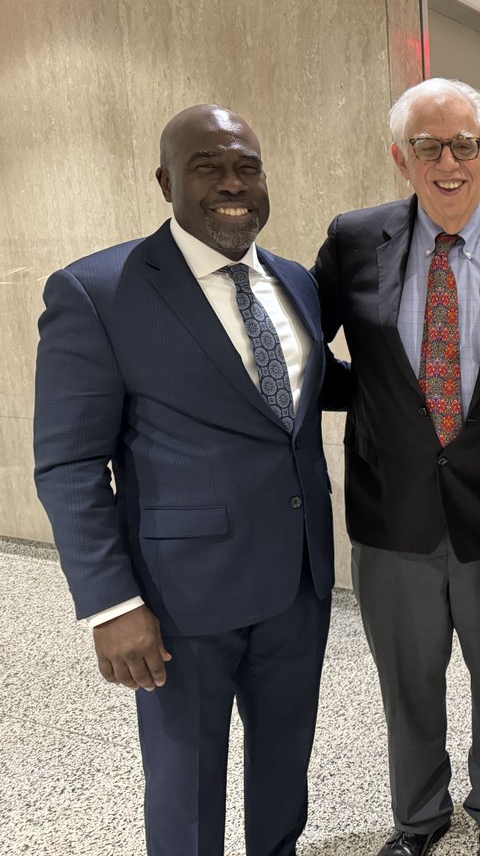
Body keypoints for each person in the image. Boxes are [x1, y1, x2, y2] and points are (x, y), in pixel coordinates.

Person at [33, 104, 340, 855]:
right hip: (179, 599)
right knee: (187, 786)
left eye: (247, 166)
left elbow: (303, 394)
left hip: (299, 581)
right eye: (207, 166)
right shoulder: (98, 292)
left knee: (284, 769)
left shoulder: (295, 282)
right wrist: (110, 603)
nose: (232, 183)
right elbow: (69, 464)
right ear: (167, 181)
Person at [313, 77, 480, 856]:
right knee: (408, 685)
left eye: (465, 144)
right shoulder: (355, 240)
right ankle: (418, 818)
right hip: (392, 513)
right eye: (428, 146)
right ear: (402, 156)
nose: (448, 161)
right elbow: (303, 349)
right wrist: (373, 403)